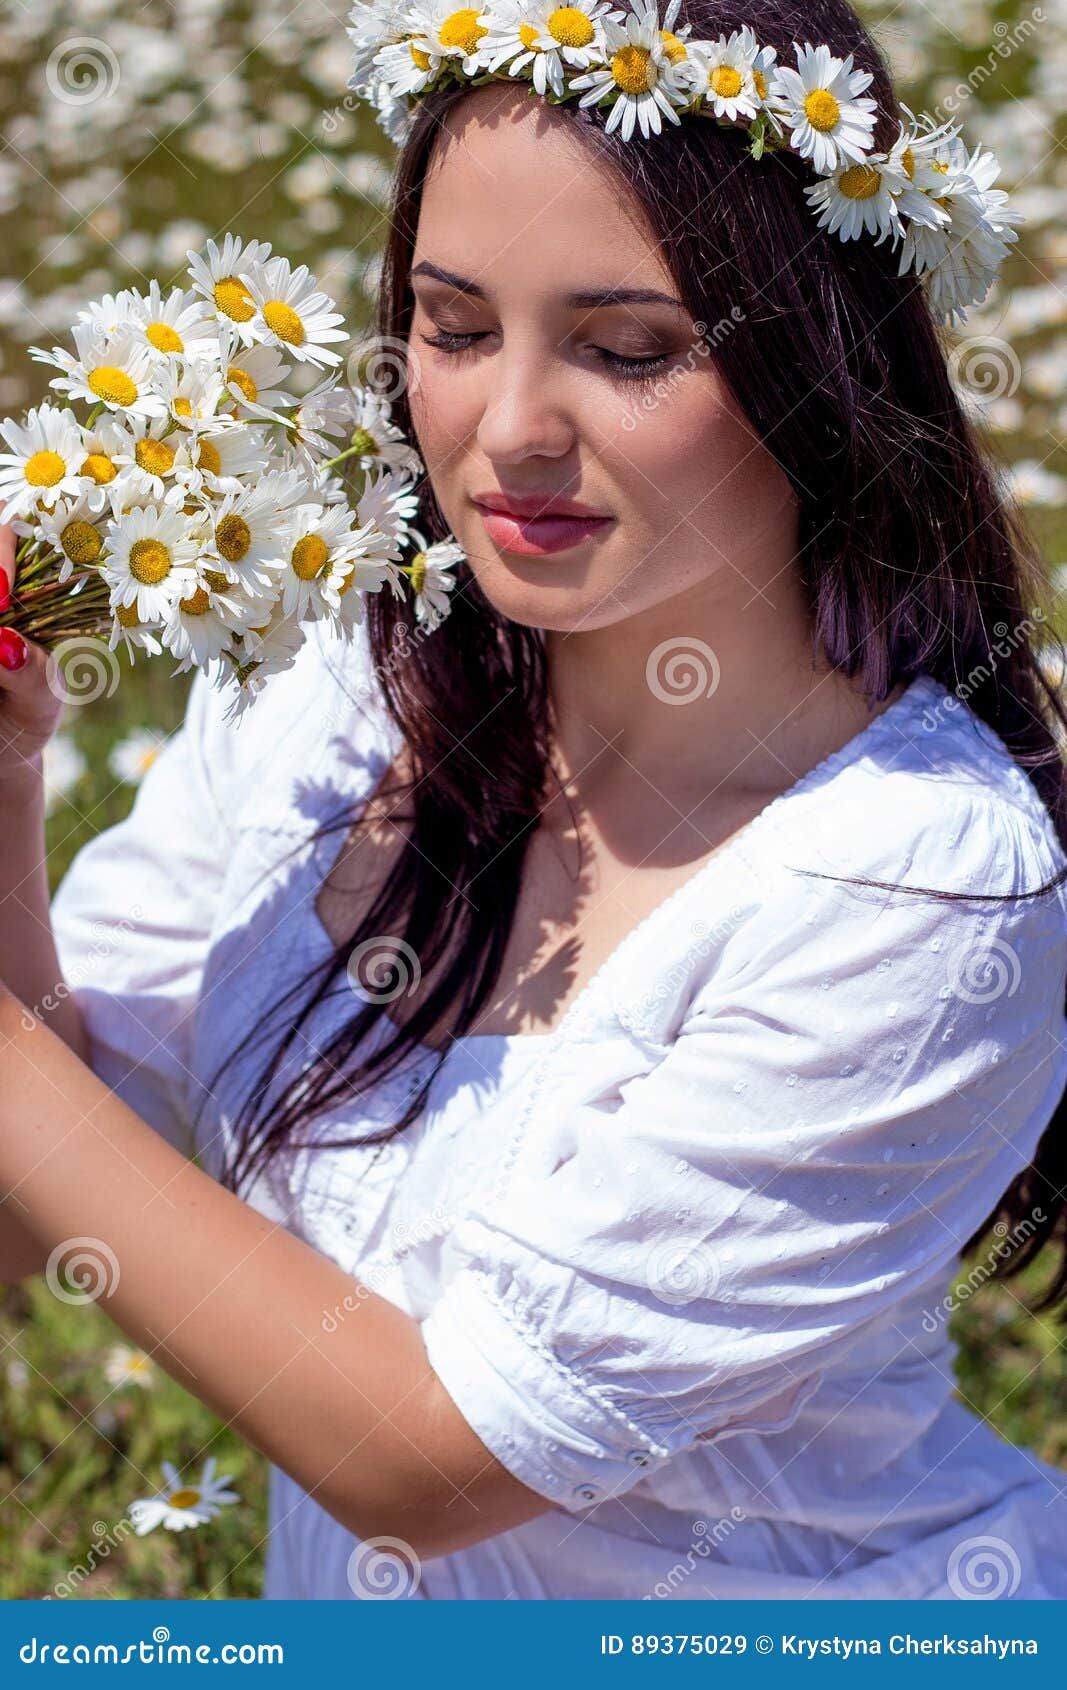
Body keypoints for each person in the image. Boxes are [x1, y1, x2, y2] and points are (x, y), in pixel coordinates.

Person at [2, 0, 1067, 1600]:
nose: (508, 433)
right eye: (450, 326)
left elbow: (427, 1456)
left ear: (813, 355)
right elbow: (35, 1206)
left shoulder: (917, 877)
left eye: (628, 348)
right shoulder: (336, 696)